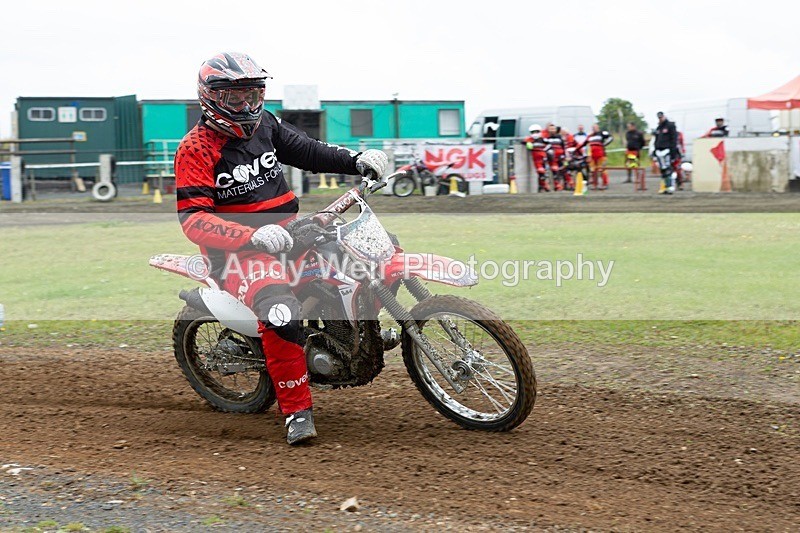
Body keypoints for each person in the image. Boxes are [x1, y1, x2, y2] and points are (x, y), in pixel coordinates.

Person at [174, 52, 388, 445]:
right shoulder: (195, 149)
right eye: (235, 98)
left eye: (254, 94)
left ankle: (362, 338)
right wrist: (250, 236)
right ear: (211, 97)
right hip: (239, 254)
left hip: (291, 233)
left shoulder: (266, 124)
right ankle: (296, 412)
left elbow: (308, 150)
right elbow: (193, 220)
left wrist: (356, 159)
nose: (247, 105)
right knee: (281, 313)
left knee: (368, 258)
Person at [650, 111, 679, 194]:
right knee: (663, 170)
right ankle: (665, 187)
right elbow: (656, 139)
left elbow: (674, 139)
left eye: (661, 117)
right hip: (659, 150)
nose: (660, 119)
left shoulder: (670, 126)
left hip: (667, 150)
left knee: (668, 169)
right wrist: (655, 150)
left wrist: (673, 151)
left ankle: (670, 186)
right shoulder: (659, 127)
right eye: (659, 117)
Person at [581, 124, 613, 189]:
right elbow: (586, 146)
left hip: (601, 155)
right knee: (593, 171)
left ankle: (605, 184)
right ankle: (595, 184)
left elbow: (610, 138)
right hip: (592, 156)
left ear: (598, 128)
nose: (594, 129)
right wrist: (587, 155)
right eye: (593, 128)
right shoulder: (589, 136)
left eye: (595, 127)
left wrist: (604, 144)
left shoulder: (602, 133)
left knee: (602, 170)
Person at [542, 124, 574, 190]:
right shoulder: (546, 138)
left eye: (553, 129)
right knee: (555, 171)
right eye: (551, 129)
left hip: (561, 157)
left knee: (566, 170)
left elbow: (564, 147)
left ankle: (571, 184)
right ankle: (557, 186)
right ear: (548, 130)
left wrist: (566, 156)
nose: (552, 130)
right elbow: (544, 148)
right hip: (552, 158)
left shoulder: (560, 137)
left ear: (556, 130)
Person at [524, 124, 552, 192]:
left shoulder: (543, 139)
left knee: (545, 173)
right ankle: (544, 186)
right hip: (536, 158)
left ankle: (542, 186)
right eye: (533, 132)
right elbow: (524, 142)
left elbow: (549, 145)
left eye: (536, 132)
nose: (535, 134)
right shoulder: (529, 139)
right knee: (540, 172)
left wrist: (545, 150)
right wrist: (527, 144)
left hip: (544, 157)